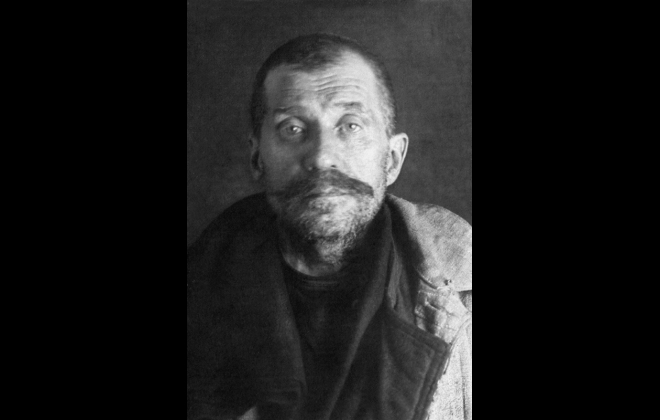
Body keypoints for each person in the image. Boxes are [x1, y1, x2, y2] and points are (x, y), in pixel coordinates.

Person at [187, 33, 472, 420]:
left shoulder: (463, 296)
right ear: (257, 158)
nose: (322, 157)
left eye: (350, 126)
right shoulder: (199, 289)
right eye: (292, 128)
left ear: (391, 159)